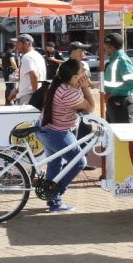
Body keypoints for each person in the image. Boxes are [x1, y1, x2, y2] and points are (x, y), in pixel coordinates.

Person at [37, 58, 95, 213]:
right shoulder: (68, 93)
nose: (85, 73)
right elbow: (90, 108)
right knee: (79, 161)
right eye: (82, 71)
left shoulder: (60, 85)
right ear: (74, 77)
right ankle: (54, 192)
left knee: (55, 163)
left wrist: (86, 85)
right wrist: (86, 89)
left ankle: (54, 202)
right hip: (57, 133)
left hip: (45, 128)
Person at [101, 33, 133, 123]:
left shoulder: (121, 59)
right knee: (113, 134)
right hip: (115, 102)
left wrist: (113, 93)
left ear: (110, 46)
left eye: (105, 46)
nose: (104, 48)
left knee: (122, 135)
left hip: (120, 102)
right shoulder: (114, 60)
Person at [9, 34, 45, 106]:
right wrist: (16, 92)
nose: (15, 47)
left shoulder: (27, 57)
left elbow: (34, 75)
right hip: (31, 94)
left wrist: (35, 96)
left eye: (18, 44)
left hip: (28, 97)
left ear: (26, 44)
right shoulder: (38, 55)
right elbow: (27, 79)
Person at [0, 39, 18, 105]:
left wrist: (1, 66)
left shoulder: (2, 52)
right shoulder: (10, 53)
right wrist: (16, 69)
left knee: (8, 86)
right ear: (13, 47)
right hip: (10, 71)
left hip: (4, 71)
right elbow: (12, 61)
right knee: (12, 86)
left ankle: (7, 101)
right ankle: (10, 101)